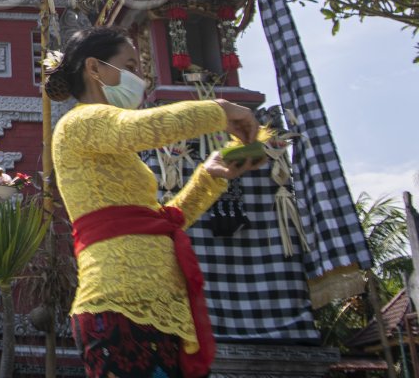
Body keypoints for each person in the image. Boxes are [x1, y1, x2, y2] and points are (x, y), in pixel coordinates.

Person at [48, 27, 264, 378]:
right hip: (120, 305)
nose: (140, 76)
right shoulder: (79, 122)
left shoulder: (106, 138)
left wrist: (210, 176)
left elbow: (162, 222)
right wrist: (219, 109)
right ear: (95, 68)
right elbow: (145, 129)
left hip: (161, 307)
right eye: (130, 64)